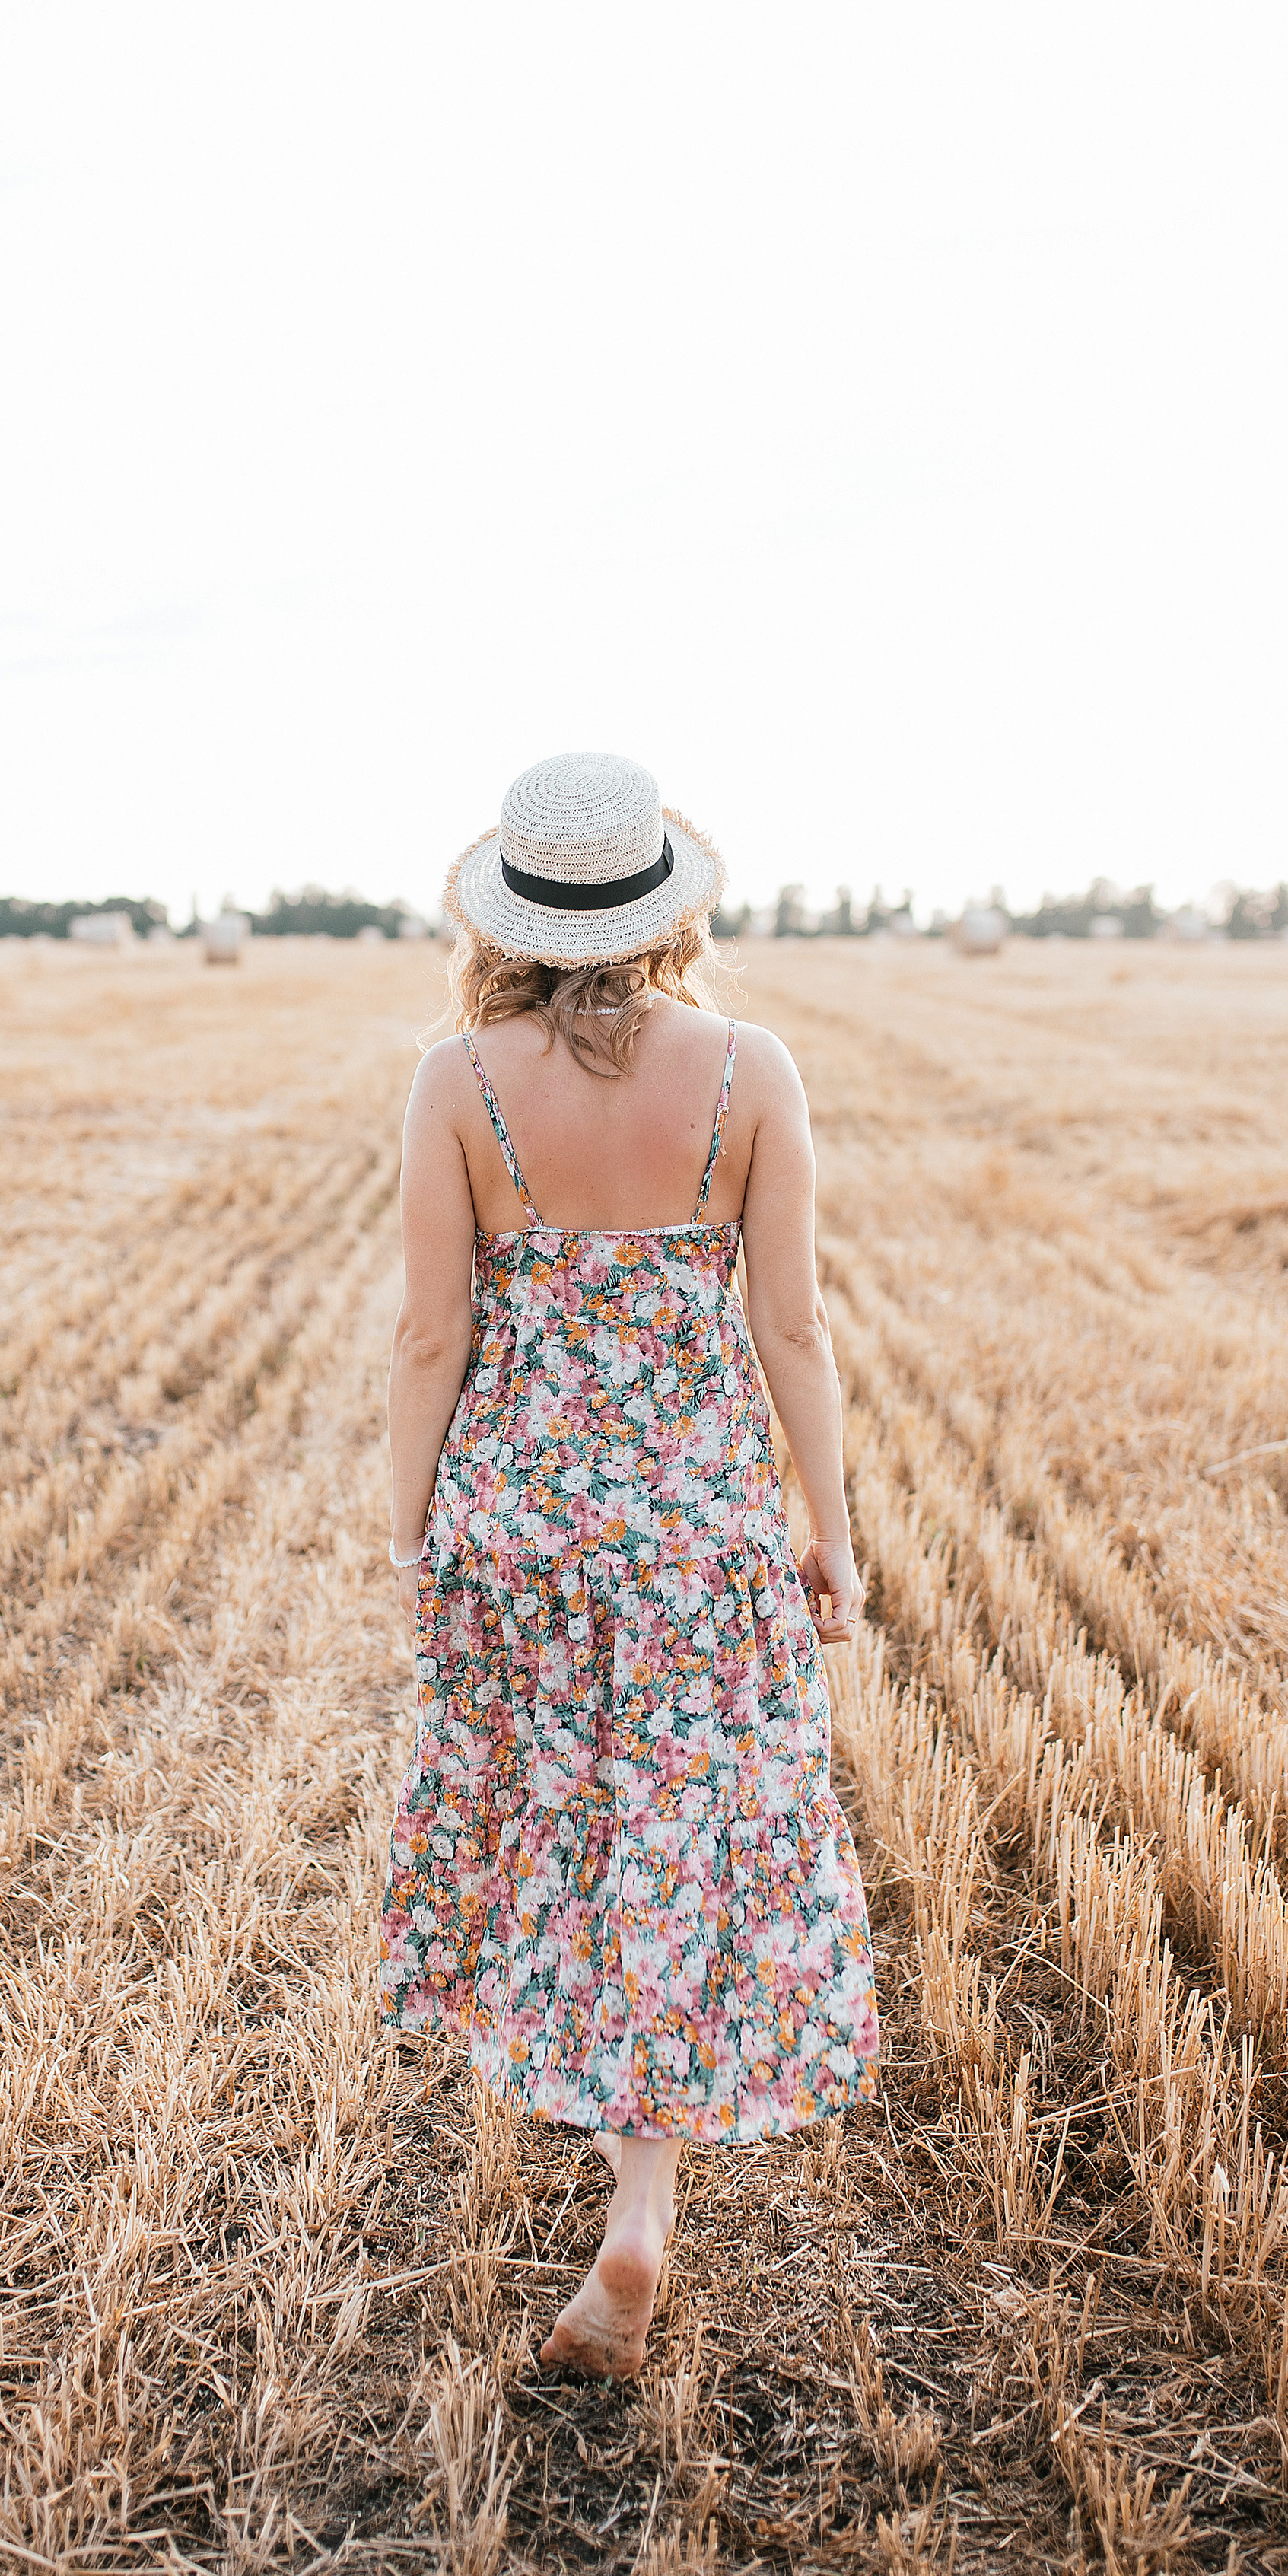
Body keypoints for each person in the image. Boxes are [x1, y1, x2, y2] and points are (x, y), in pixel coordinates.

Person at [379, 752, 879, 2379]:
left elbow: (429, 1335)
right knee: (669, 1848)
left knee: (561, 1832)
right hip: (697, 1534)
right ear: (662, 901)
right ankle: (640, 2217)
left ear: (509, 912)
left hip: (524, 1528)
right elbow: (788, 1325)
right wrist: (833, 1531)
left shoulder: (457, 1084)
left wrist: (413, 1532)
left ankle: (628, 2208)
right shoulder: (748, 1073)